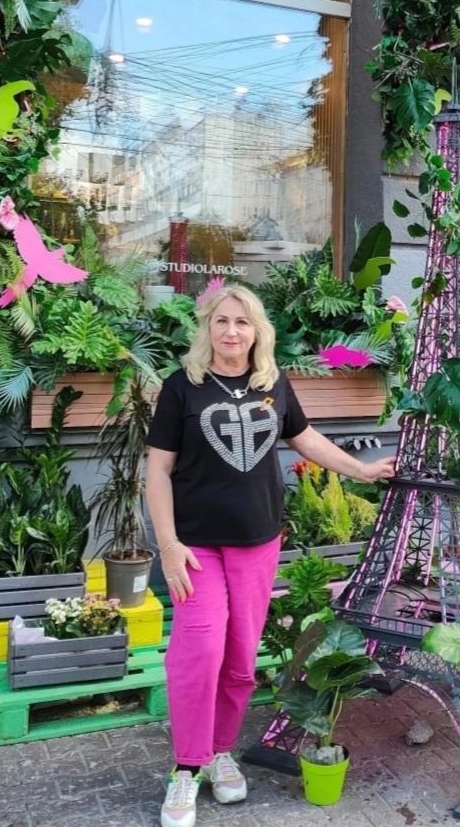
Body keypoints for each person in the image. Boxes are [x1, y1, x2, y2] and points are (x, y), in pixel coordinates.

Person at [145, 285, 395, 827]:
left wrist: (362, 470)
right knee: (199, 653)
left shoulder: (272, 382)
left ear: (257, 330)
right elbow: (158, 470)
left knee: (240, 661)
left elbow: (306, 439)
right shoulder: (181, 387)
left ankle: (219, 753)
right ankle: (186, 767)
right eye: (221, 321)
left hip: (258, 543)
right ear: (207, 328)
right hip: (195, 547)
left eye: (242, 321)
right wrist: (168, 545)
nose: (232, 331)